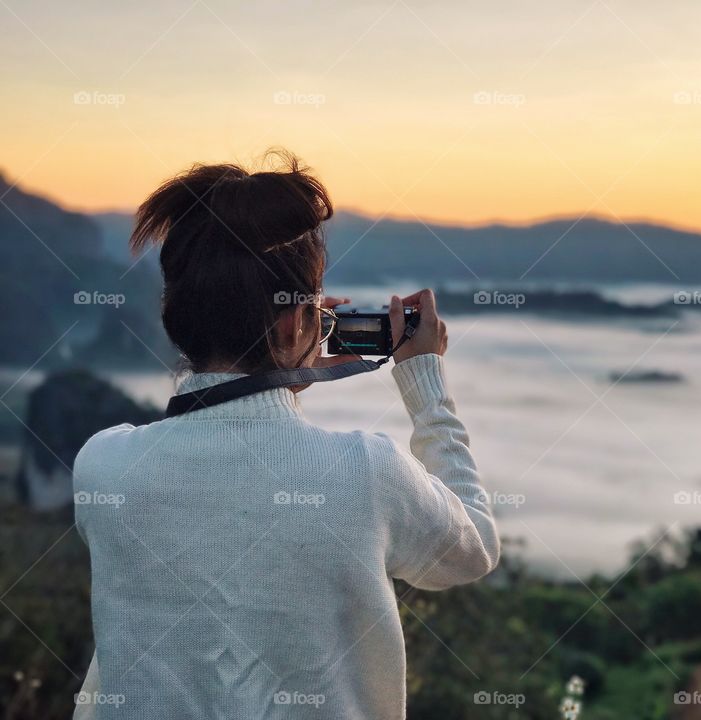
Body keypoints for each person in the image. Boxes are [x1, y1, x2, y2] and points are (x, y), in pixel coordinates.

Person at [72, 152, 500, 719]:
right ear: (297, 320)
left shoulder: (102, 466)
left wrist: (286, 352)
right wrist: (425, 385)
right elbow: (473, 550)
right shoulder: (365, 472)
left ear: (174, 311)